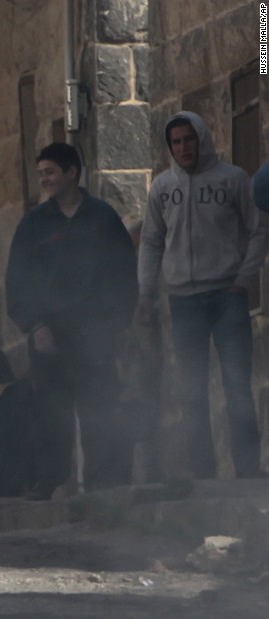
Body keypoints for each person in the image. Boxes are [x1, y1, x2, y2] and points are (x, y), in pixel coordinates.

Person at [137, 111, 268, 479]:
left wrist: (243, 278)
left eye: (189, 139)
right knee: (192, 393)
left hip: (227, 296)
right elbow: (150, 241)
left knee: (237, 387)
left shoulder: (234, 180)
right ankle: (202, 476)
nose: (183, 148)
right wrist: (145, 293)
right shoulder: (162, 188)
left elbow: (258, 230)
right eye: (176, 142)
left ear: (202, 138)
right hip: (183, 302)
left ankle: (248, 470)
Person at [5, 143, 138, 498]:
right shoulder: (33, 225)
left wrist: (120, 323)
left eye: (50, 172)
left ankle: (103, 484)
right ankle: (50, 481)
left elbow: (124, 274)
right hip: (50, 338)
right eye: (41, 174)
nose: (44, 180)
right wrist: (35, 326)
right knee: (51, 415)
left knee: (100, 409)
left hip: (95, 334)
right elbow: (17, 282)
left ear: (72, 173)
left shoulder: (102, 218)